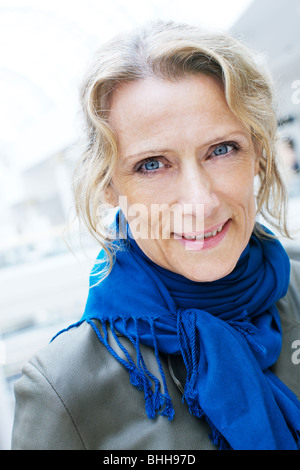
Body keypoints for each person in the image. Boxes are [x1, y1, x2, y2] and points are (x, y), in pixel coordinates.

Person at [11, 20, 300, 451]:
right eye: (152, 164)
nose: (200, 202)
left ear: (258, 154)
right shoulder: (65, 388)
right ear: (110, 186)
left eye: (221, 149)